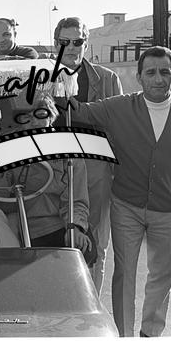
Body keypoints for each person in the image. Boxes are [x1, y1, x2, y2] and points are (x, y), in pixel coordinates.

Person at [69, 46, 171, 337]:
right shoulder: (120, 106)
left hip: (169, 209)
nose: (158, 79)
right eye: (151, 72)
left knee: (163, 275)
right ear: (139, 77)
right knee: (124, 274)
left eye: (165, 72)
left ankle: (150, 333)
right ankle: (124, 334)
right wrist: (54, 84)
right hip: (126, 206)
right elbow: (80, 111)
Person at [53, 17, 123, 296]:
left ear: (86, 43)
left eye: (77, 41)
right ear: (55, 43)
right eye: (64, 42)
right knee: (53, 236)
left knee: (95, 241)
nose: (71, 47)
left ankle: (91, 306)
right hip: (52, 168)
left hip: (95, 166)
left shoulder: (107, 79)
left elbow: (118, 129)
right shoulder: (40, 77)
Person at [0, 95, 93, 255]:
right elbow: (0, 195)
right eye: (27, 117)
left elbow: (76, 199)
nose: (34, 122)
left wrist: (75, 227)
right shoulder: (9, 147)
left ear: (51, 116)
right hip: (24, 226)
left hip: (60, 223)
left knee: (84, 250)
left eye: (41, 115)